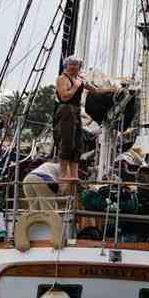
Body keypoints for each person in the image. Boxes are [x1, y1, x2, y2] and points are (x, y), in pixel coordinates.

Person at [54, 55, 93, 196]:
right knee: (67, 142)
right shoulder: (63, 79)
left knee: (78, 144)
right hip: (66, 110)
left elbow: (92, 88)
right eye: (71, 65)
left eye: (76, 65)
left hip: (76, 111)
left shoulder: (80, 79)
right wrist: (75, 87)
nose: (74, 67)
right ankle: (62, 177)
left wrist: (108, 91)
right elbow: (64, 96)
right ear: (66, 66)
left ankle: (74, 176)